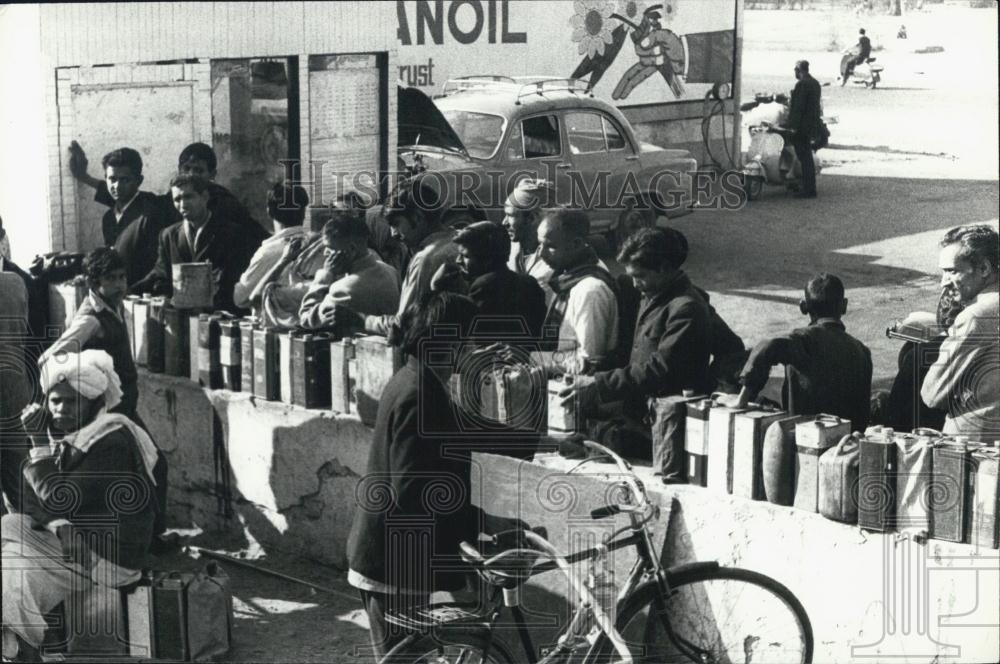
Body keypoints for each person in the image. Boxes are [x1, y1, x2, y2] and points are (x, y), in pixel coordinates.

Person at [1, 350, 158, 662]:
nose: (59, 410)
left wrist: (39, 443)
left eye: (71, 402)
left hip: (108, 556)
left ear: (95, 402)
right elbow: (33, 501)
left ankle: (27, 650)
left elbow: (59, 498)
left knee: (12, 577)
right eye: (55, 401)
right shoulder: (79, 436)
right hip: (77, 541)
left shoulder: (111, 440)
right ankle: (26, 643)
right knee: (9, 527)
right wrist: (61, 526)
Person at [346, 291, 479, 660]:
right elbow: (413, 490)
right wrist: (470, 528)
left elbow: (463, 432)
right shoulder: (419, 394)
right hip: (395, 562)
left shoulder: (416, 379)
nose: (472, 350)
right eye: (468, 341)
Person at [559, 228, 713, 480]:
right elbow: (633, 353)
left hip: (665, 427)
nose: (633, 284)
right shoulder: (653, 296)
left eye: (640, 276)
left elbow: (659, 369)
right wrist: (593, 370)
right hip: (638, 413)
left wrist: (598, 383)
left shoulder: (686, 308)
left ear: (663, 268)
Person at [719, 273, 873, 431]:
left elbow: (766, 346)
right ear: (844, 306)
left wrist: (742, 399)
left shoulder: (804, 340)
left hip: (803, 436)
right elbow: (863, 414)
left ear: (803, 307)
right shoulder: (862, 351)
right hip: (847, 442)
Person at [68, 140, 270, 244]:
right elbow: (133, 199)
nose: (191, 175)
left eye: (198, 170)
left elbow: (256, 236)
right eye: (186, 169)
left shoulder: (225, 203)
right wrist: (84, 177)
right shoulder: (170, 202)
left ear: (212, 174)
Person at [336, 176, 458, 337]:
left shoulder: (426, 259)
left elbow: (404, 326)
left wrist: (361, 319)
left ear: (417, 217)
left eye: (396, 224)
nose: (393, 234)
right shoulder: (457, 242)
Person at [132, 174, 260, 314]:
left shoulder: (231, 233)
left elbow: (232, 278)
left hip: (219, 317)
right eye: (177, 199)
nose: (183, 205)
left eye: (188, 197)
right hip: (180, 318)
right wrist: (160, 296)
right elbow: (162, 274)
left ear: (205, 197)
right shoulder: (168, 235)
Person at [921, 224, 999, 439]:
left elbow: (932, 394)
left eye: (951, 271)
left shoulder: (975, 317)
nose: (943, 283)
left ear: (984, 269)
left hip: (973, 446)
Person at [433, 221, 547, 343]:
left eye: (465, 256)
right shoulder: (529, 283)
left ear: (488, 259)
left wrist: (436, 289)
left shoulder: (484, 286)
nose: (458, 260)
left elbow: (458, 333)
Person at [537, 208, 619, 374]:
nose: (541, 254)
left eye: (550, 246)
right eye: (540, 244)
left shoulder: (590, 291)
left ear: (576, 244)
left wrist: (534, 359)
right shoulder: (567, 275)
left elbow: (589, 362)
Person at [233, 182, 325, 328]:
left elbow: (241, 298)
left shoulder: (268, 252)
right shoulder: (319, 247)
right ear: (303, 212)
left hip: (273, 331)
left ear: (269, 211)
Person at [298, 209, 400, 334]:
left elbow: (305, 317)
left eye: (329, 248)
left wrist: (326, 274)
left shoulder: (343, 289)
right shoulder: (390, 271)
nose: (325, 253)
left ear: (351, 249)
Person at [94, 148, 173, 287]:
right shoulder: (108, 218)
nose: (117, 186)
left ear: (139, 180)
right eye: (112, 179)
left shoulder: (150, 214)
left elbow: (158, 266)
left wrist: (132, 291)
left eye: (124, 180)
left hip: (144, 295)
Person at [504, 179, 556, 305]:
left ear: (532, 218)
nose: (504, 223)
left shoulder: (554, 260)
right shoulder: (511, 249)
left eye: (510, 216)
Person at [786, 60, 822, 199]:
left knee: (805, 158)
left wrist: (793, 127)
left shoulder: (802, 84)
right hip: (811, 126)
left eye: (795, 70)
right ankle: (808, 187)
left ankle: (809, 190)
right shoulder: (815, 83)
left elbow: (798, 108)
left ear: (798, 70)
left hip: (801, 127)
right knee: (807, 158)